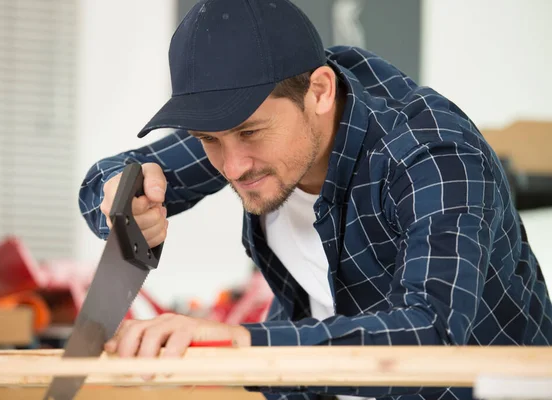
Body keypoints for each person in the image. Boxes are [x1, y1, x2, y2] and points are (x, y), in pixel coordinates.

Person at [78, 0, 552, 399]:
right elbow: (106, 176)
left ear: (320, 92)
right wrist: (121, 201)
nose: (233, 166)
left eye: (251, 133)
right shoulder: (246, 124)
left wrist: (242, 343)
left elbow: (430, 336)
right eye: (209, 139)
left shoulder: (432, 156)